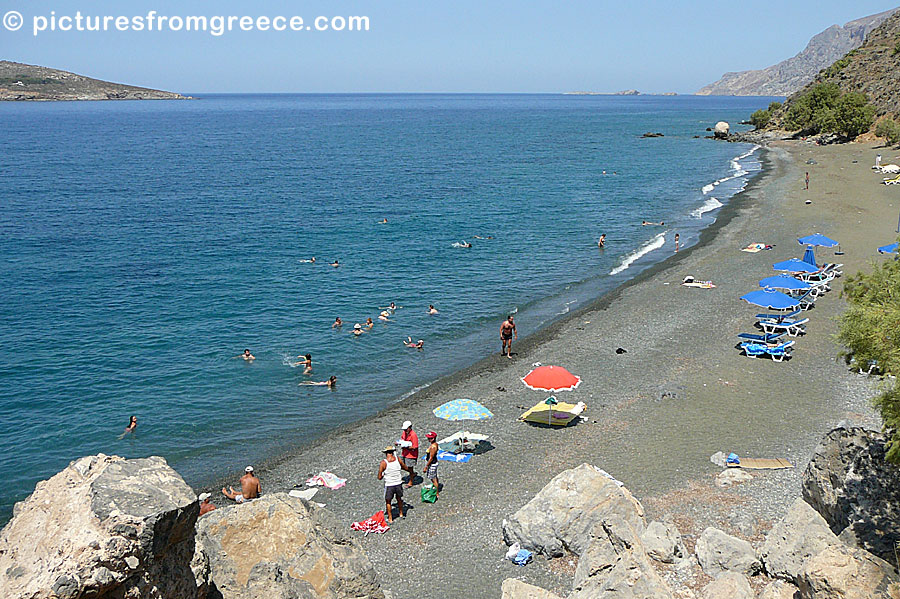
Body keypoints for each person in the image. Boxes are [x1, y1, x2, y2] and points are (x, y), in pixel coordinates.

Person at [378, 446, 412, 523]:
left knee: (388, 501)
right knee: (399, 499)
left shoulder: (384, 463)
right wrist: (410, 472)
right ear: (393, 452)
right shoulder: (398, 459)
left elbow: (379, 477)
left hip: (389, 484)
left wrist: (383, 474)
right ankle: (401, 513)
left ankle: (390, 518)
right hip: (398, 483)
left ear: (386, 453)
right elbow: (404, 467)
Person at [398, 421, 419, 487]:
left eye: (406, 429)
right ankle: (412, 474)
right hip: (404, 453)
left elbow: (415, 446)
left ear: (410, 428)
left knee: (410, 467)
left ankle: (411, 481)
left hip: (411, 454)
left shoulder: (413, 435)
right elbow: (402, 440)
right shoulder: (404, 433)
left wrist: (407, 446)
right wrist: (399, 443)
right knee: (400, 464)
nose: (405, 430)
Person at [422, 431, 440, 499]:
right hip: (434, 463)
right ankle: (436, 490)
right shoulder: (435, 444)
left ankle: (436, 493)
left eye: (429, 438)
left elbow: (431, 458)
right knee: (435, 477)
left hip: (432, 464)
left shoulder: (433, 447)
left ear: (433, 439)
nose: (428, 440)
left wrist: (426, 466)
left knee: (433, 479)